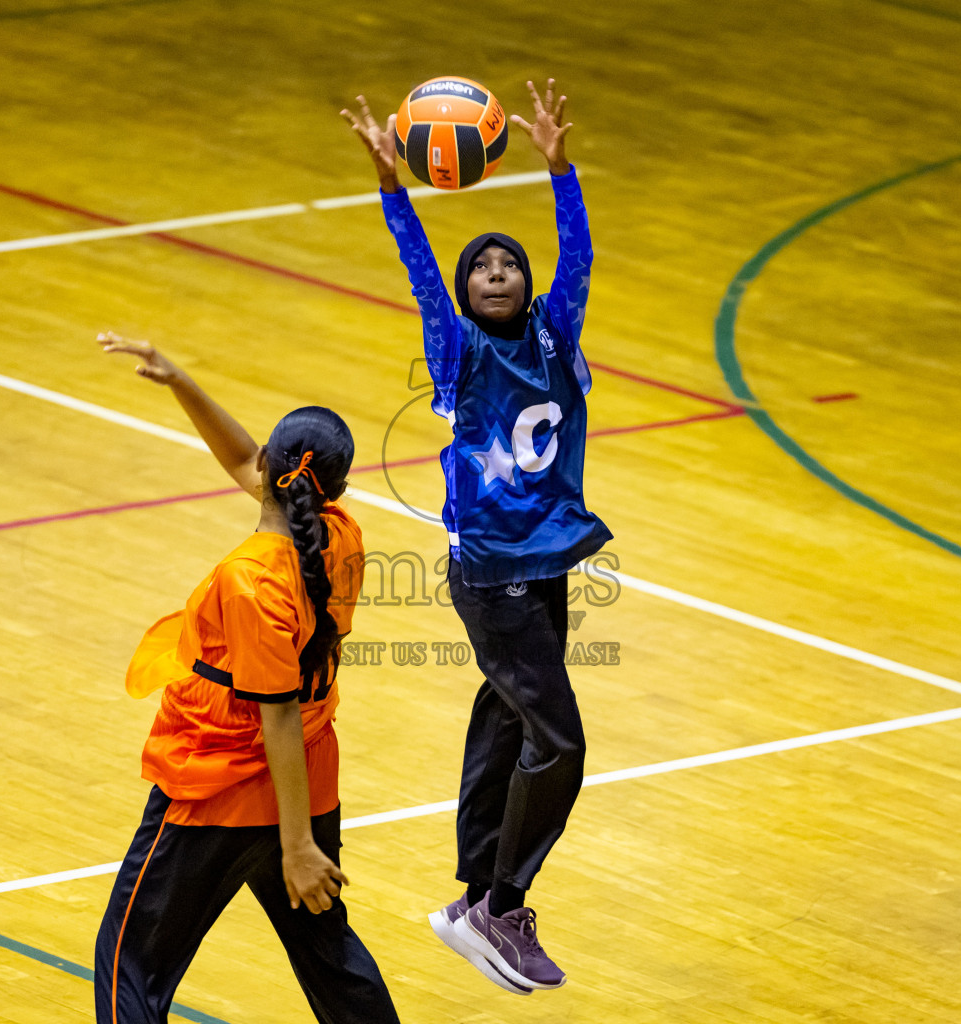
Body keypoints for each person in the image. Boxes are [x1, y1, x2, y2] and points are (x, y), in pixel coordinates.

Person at [341, 79, 611, 994]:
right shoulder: (457, 354)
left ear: (530, 286)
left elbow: (578, 257)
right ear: (464, 293)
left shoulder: (555, 335)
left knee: (505, 717)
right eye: (480, 267)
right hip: (490, 569)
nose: (495, 272)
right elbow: (418, 264)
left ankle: (470, 899)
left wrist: (558, 169)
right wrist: (391, 186)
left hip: (547, 560)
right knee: (561, 742)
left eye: (508, 264)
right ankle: (503, 905)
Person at [91, 332, 399, 1024]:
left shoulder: (250, 581)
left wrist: (295, 849)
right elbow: (242, 460)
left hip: (224, 787)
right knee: (329, 958)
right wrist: (180, 384)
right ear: (335, 492)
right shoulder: (341, 534)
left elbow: (277, 713)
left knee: (128, 966)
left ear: (270, 467)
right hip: (309, 783)